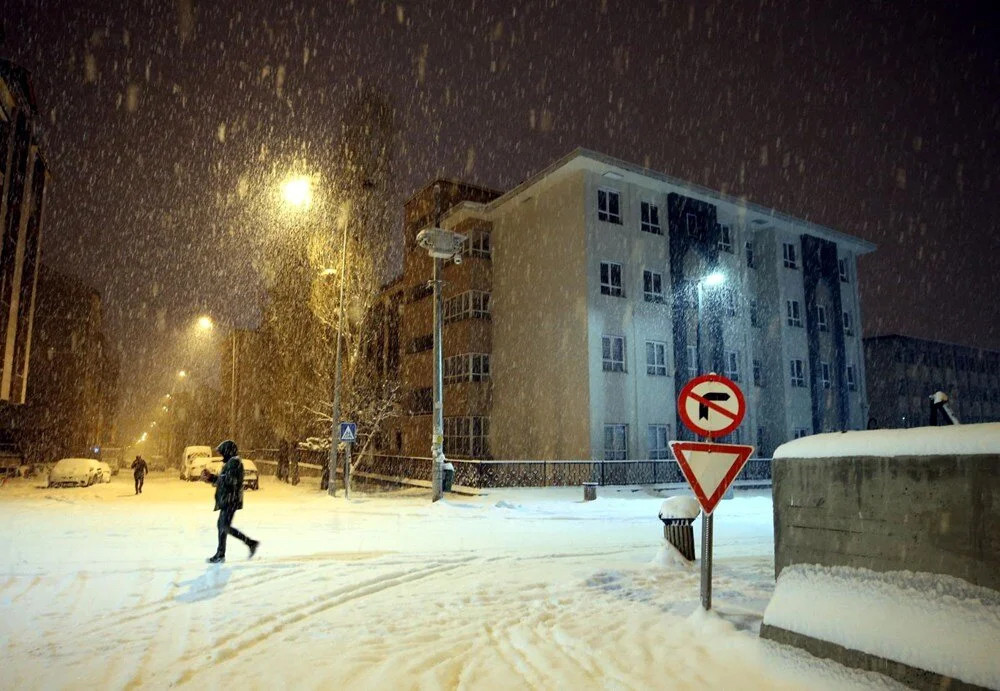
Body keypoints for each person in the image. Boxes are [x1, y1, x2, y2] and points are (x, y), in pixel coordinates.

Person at [205, 440, 259, 563]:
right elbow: (225, 480)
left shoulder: (234, 463)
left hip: (231, 500)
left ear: (228, 452)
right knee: (222, 526)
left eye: (222, 452)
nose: (221, 455)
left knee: (224, 526)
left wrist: (214, 478)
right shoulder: (231, 462)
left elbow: (230, 481)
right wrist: (212, 478)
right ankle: (223, 552)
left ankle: (248, 543)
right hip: (228, 500)